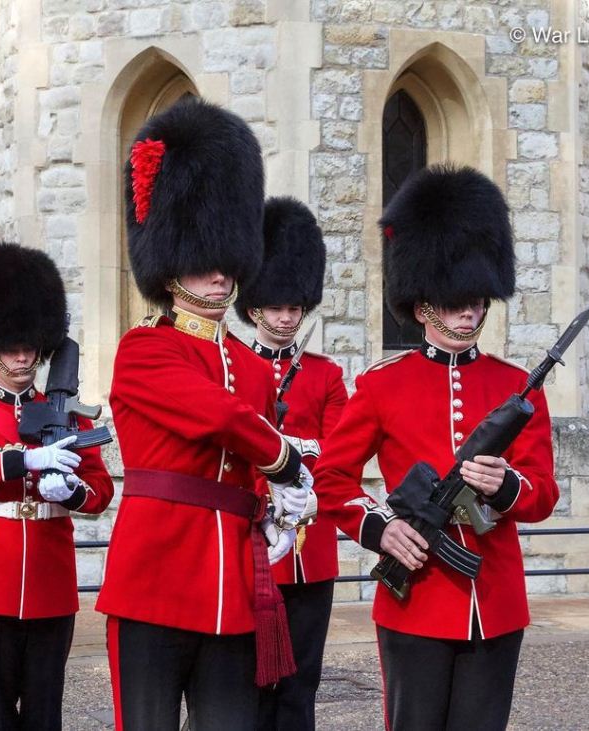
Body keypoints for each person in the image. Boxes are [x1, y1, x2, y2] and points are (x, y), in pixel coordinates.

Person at [312, 164, 559, 730]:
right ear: (424, 303)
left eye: (477, 299)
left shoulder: (514, 387)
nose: (470, 310)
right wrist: (381, 529)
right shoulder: (382, 385)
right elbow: (332, 480)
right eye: (456, 300)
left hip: (494, 602)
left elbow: (542, 492)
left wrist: (508, 486)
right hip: (415, 596)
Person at [96, 98, 314, 731]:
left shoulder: (250, 365)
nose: (220, 275)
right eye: (202, 259)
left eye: (228, 260)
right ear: (169, 268)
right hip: (155, 576)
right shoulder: (144, 350)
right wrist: (284, 459)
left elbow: (245, 460)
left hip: (233, 587)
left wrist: (281, 506)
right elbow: (214, 416)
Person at [0, 242, 115, 730]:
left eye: (29, 347)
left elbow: (101, 488)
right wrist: (22, 460)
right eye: (11, 347)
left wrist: (72, 494)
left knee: (46, 710)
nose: (23, 357)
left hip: (51, 578)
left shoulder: (63, 409)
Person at [236, 197, 347, 731]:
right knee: (250, 682)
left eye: (293, 307)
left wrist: (302, 451)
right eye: (275, 307)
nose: (285, 317)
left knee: (301, 687)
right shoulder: (231, 369)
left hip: (311, 550)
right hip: (251, 543)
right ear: (255, 306)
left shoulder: (325, 375)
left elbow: (341, 449)